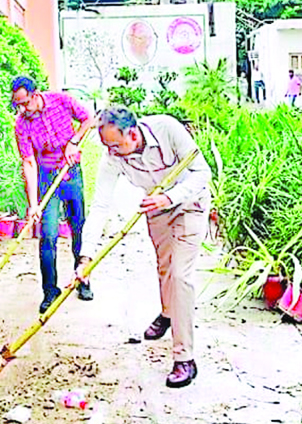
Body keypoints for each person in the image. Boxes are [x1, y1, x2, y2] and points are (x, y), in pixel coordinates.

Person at [74, 106, 212, 388]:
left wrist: (170, 197)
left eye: (115, 144)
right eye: (106, 145)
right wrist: (86, 256)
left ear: (133, 134)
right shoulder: (112, 156)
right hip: (156, 208)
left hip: (190, 203)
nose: (110, 151)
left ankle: (184, 358)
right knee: (164, 267)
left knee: (180, 275)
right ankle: (167, 312)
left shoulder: (167, 129)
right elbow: (101, 205)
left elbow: (202, 172)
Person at [12, 76, 96, 313]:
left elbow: (88, 118)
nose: (22, 109)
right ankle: (50, 291)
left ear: (36, 94)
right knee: (48, 235)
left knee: (78, 226)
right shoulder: (21, 124)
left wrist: (73, 142)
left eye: (25, 103)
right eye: (18, 105)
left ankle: (83, 279)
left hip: (72, 172)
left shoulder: (61, 101)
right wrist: (33, 204)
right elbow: (28, 162)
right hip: (47, 177)